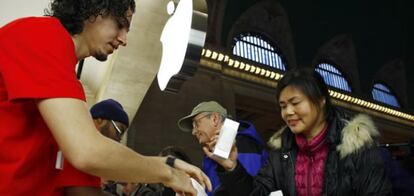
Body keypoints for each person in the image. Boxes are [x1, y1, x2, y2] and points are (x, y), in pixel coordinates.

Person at [0, 0, 211, 195]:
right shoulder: (41, 34)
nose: (124, 39)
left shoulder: (66, 90)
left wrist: (166, 164)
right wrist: (167, 172)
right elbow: (87, 151)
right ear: (92, 9)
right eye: (120, 24)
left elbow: (80, 189)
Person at [207, 68, 392, 196]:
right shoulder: (281, 152)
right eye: (283, 106)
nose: (288, 112)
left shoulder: (357, 145)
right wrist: (232, 168)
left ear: (321, 101)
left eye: (295, 103)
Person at [177, 101, 268, 196]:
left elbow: (250, 191)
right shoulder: (212, 153)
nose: (193, 131)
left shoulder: (244, 144)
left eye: (196, 124)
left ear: (215, 119)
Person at [54, 99, 129, 195]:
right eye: (119, 131)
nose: (119, 140)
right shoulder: (80, 143)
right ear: (100, 120)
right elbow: (82, 193)